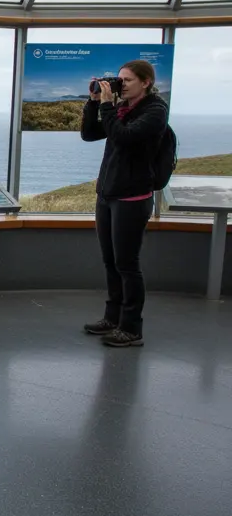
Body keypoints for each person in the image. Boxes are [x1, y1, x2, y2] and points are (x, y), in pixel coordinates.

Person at [80, 59, 168, 348]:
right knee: (110, 261)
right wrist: (93, 103)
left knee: (127, 264)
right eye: (119, 80)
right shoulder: (122, 108)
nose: (121, 85)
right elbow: (90, 134)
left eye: (127, 80)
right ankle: (112, 317)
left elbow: (124, 138)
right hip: (108, 195)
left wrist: (107, 105)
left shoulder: (155, 111)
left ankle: (131, 328)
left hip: (132, 197)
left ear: (146, 82)